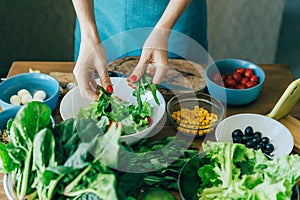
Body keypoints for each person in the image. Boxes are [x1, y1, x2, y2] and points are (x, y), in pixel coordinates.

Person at [72, 0, 207, 101]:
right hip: (99, 14)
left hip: (176, 11)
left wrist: (164, 29)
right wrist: (88, 35)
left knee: (184, 99)